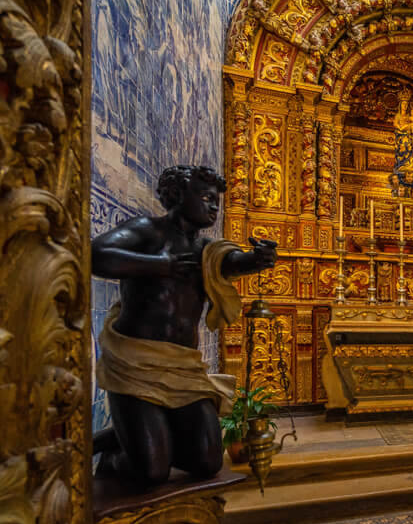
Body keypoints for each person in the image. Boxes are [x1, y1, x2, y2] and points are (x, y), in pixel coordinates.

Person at [92, 165, 277, 486]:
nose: (214, 206)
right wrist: (158, 265)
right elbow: (97, 254)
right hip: (135, 363)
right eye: (206, 198)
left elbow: (230, 261)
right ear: (177, 195)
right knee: (152, 473)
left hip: (183, 367)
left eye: (217, 200)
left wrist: (257, 259)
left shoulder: (204, 250)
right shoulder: (147, 231)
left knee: (207, 462)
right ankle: (115, 454)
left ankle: (137, 438)